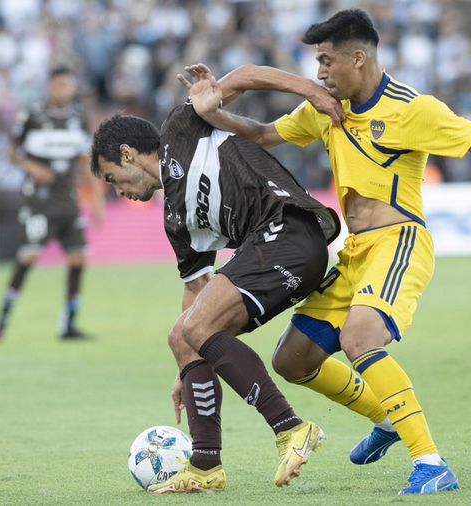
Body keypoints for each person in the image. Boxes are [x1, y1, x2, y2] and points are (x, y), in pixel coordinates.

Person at [177, 8, 471, 495]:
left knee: (360, 339)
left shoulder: (411, 108)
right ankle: (389, 418)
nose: (320, 74)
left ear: (359, 57)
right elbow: (268, 135)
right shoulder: (327, 108)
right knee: (292, 360)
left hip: (399, 243)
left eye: (327, 61)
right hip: (355, 253)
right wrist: (215, 115)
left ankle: (432, 464)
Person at [89, 92, 341, 492]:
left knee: (198, 327)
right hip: (275, 253)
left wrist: (309, 90)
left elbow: (241, 78)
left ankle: (291, 427)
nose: (117, 191)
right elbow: (196, 293)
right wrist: (186, 367)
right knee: (183, 333)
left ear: (128, 154)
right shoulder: (177, 221)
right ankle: (206, 465)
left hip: (289, 231)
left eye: (110, 178)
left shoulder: (179, 131)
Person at [0, 67, 104, 341]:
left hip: (68, 198)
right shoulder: (33, 116)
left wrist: (97, 198)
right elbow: (11, 150)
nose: (62, 91)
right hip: (40, 200)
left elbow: (85, 159)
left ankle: (68, 323)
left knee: (78, 258)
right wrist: (32, 166)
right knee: (28, 257)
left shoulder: (78, 118)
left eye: (67, 86)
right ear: (50, 87)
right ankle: (2, 320)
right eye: (58, 86)